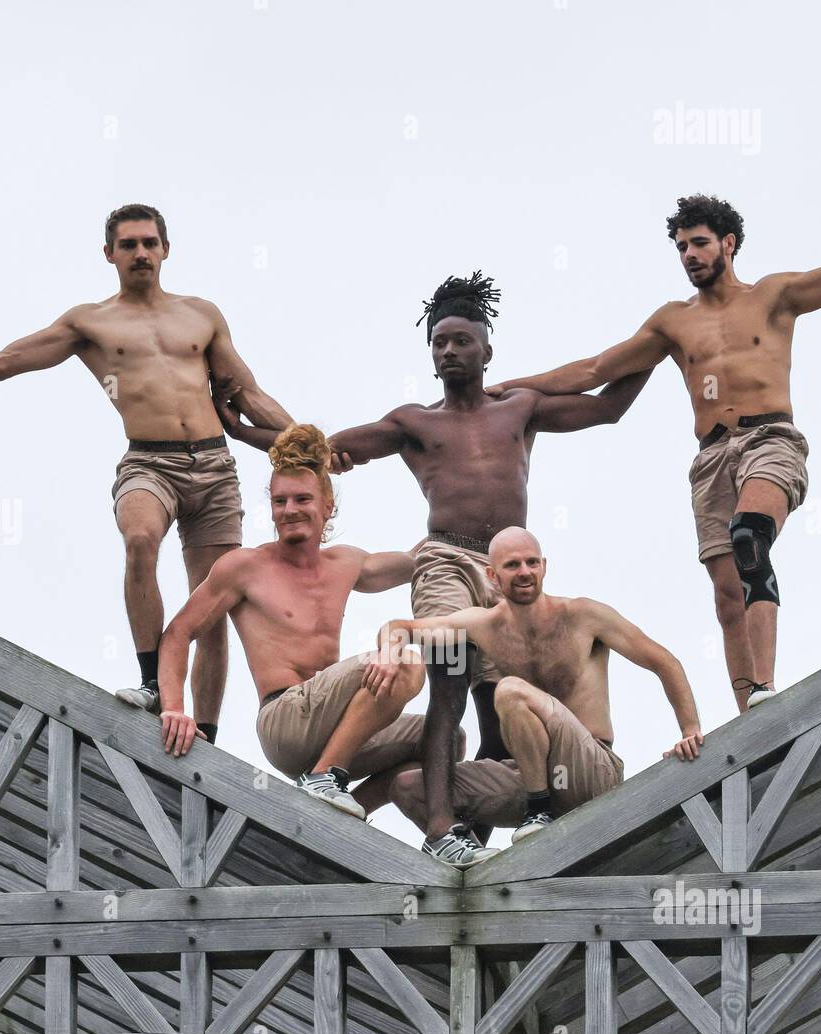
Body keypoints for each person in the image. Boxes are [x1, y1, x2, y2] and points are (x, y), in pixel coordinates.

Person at [493, 189, 821, 712]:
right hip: (711, 458)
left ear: (728, 244)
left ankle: (765, 685)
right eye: (682, 247)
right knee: (726, 594)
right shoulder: (672, 321)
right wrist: (507, 387)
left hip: (770, 440)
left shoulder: (773, 296)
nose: (689, 254)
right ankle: (747, 716)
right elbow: (597, 370)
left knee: (749, 538)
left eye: (699, 243)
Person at [219, 272, 653, 863]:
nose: (448, 350)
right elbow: (317, 452)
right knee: (449, 672)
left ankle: (485, 825)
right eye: (439, 343)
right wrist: (244, 429)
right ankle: (440, 829)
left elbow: (608, 407)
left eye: (461, 341)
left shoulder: (519, 408)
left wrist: (660, 346)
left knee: (502, 694)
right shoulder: (414, 423)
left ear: (487, 350)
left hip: (501, 568)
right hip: (446, 559)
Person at [0, 202, 293, 739]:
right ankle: (154, 682)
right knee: (139, 539)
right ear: (109, 254)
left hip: (214, 463)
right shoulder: (91, 322)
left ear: (166, 250)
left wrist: (308, 446)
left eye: (150, 243)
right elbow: (4, 360)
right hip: (149, 462)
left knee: (214, 603)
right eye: (128, 245)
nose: (141, 253)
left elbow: (247, 392)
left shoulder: (201, 314)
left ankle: (205, 736)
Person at [156, 424, 449, 820]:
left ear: (327, 506)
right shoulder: (245, 567)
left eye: (302, 499)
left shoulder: (346, 562)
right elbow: (179, 632)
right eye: (280, 501)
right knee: (406, 663)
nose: (290, 510)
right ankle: (323, 778)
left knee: (445, 739)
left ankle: (337, 815)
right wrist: (174, 708)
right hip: (284, 721)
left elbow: (417, 560)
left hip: (340, 727)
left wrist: (465, 519)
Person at [372, 527, 703, 846]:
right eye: (512, 565)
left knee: (510, 692)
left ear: (545, 567)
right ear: (493, 576)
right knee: (408, 787)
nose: (524, 572)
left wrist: (690, 729)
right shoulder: (485, 625)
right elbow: (401, 627)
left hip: (589, 771)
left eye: (532, 562)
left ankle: (538, 808)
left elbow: (664, 662)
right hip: (527, 777)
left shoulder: (583, 615)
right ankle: (475, 860)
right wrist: (389, 651)